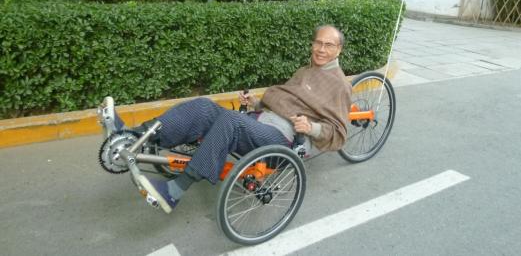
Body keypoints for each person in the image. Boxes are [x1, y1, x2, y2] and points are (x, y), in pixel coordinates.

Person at [117, 25, 352, 214]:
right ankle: (136, 135)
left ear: (339, 49)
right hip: (261, 121)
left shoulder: (339, 85)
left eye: (328, 45)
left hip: (283, 140)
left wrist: (311, 127)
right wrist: (256, 103)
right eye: (318, 43)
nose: (321, 49)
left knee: (230, 121)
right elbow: (284, 102)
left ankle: (174, 191)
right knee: (204, 106)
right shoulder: (306, 70)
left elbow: (339, 134)